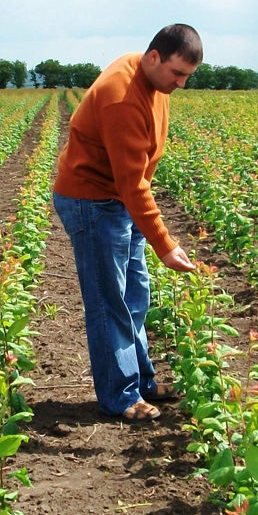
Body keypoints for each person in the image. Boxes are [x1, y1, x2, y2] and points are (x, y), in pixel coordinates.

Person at [52, 23, 201, 422]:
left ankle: (141, 382)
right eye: (177, 74)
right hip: (93, 201)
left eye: (187, 76)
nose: (181, 84)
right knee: (109, 302)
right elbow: (131, 183)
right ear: (154, 57)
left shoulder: (149, 78)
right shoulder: (122, 97)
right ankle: (120, 396)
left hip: (117, 200)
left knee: (136, 294)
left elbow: (136, 178)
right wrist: (165, 245)